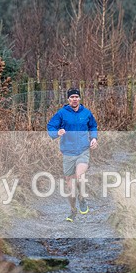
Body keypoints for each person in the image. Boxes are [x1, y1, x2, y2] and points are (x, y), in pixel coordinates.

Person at [47, 87, 98, 222]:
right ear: (68, 99)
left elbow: (93, 126)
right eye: (72, 97)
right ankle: (73, 211)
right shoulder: (62, 113)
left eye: (76, 97)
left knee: (80, 176)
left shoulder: (86, 113)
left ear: (79, 98)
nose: (74, 99)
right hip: (68, 153)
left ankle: (82, 199)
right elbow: (51, 127)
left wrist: (93, 138)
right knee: (70, 186)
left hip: (83, 150)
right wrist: (56, 133)